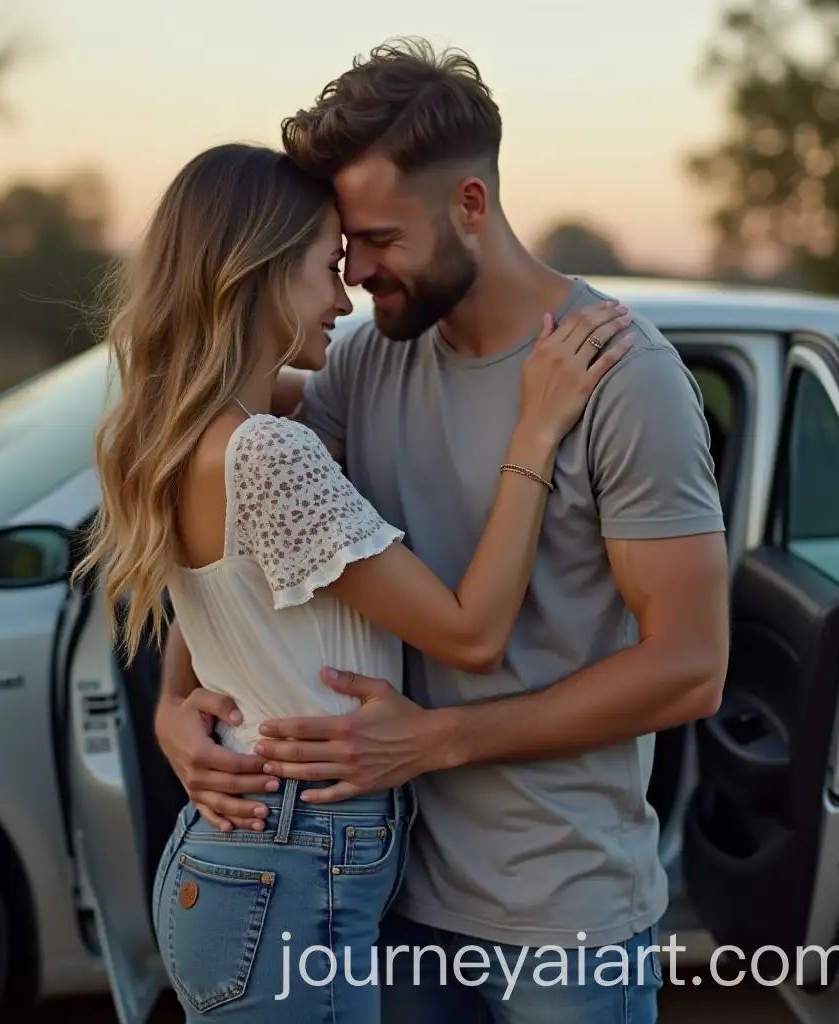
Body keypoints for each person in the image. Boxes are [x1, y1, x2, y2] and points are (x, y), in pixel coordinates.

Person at [155, 39, 730, 1024]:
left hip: (559, 916)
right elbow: (260, 545)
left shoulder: (621, 380)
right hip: (387, 899)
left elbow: (689, 666)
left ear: (469, 204)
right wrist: (177, 708)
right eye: (341, 249)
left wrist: (433, 741)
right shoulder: (371, 360)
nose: (358, 273)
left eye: (377, 238)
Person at [73, 140, 632, 1023]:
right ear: (253, 274)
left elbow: (236, 595)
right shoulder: (266, 451)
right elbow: (472, 633)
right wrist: (536, 433)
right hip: (293, 859)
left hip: (245, 857)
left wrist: (173, 702)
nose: (344, 297)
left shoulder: (179, 430)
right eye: (322, 269)